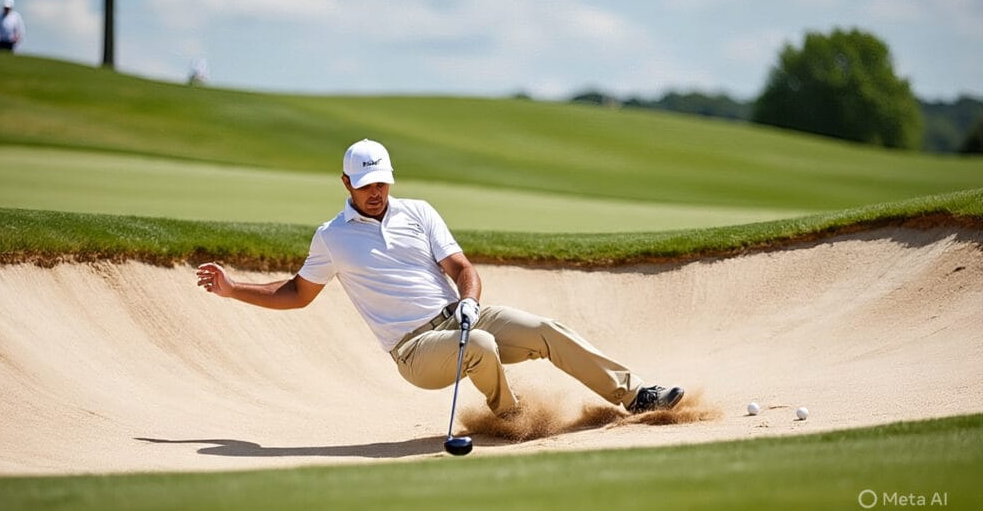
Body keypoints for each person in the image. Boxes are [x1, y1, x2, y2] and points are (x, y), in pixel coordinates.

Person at [196, 139, 684, 419]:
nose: (376, 192)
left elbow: (462, 270)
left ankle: (635, 394)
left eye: (383, 181)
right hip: (415, 350)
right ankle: (513, 419)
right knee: (483, 350)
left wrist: (470, 301)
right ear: (346, 183)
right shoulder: (332, 237)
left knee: (545, 330)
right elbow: (297, 293)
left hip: (462, 317)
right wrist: (233, 288)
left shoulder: (419, 212)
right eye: (366, 185)